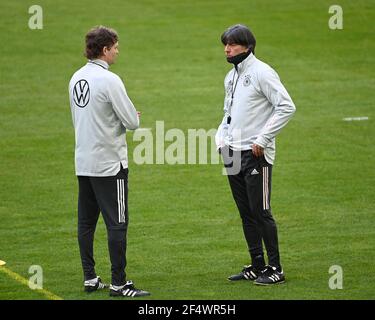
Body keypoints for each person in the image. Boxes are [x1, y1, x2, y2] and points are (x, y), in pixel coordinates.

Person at [68, 26, 150, 297]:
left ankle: (90, 278)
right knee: (117, 223)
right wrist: (130, 117)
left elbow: (90, 117)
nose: (117, 50)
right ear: (105, 49)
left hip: (84, 162)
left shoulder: (76, 78)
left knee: (86, 223)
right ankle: (118, 283)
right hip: (109, 164)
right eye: (115, 46)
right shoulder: (110, 80)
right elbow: (132, 122)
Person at [215, 24, 296, 285]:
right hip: (232, 153)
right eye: (225, 44)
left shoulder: (262, 72)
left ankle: (275, 268)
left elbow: (286, 106)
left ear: (248, 46)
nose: (227, 49)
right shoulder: (231, 76)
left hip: (254, 154)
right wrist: (221, 140)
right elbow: (228, 114)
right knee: (245, 211)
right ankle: (257, 264)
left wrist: (263, 138)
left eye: (233, 44)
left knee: (261, 210)